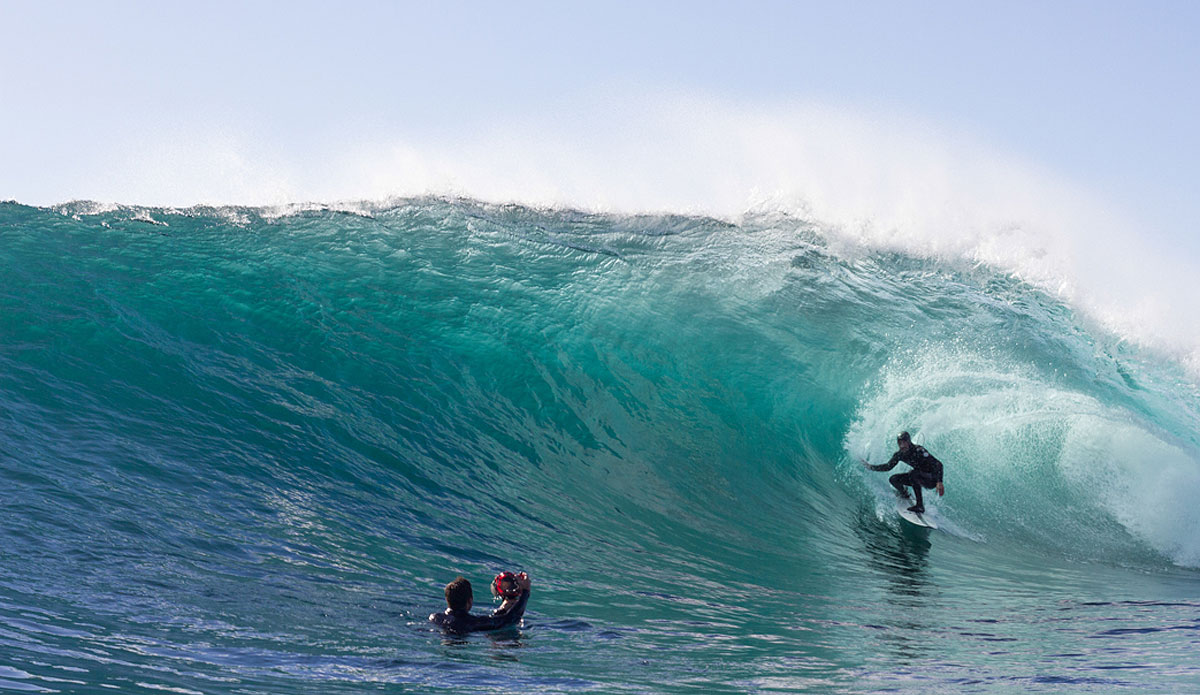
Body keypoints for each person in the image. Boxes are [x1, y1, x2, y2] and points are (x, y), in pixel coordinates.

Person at [863, 431, 944, 514]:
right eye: (899, 443)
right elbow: (888, 467)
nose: (902, 445)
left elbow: (938, 464)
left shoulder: (919, 450)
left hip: (931, 479)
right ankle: (904, 493)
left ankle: (920, 506)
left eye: (904, 442)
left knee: (913, 473)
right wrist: (871, 467)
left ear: (908, 441)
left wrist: (939, 482)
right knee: (893, 479)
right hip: (918, 477)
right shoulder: (899, 454)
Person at [429, 571, 531, 634]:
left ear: (448, 600)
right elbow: (510, 619)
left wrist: (502, 609)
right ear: (470, 601)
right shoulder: (472, 622)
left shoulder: (435, 618)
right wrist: (526, 591)